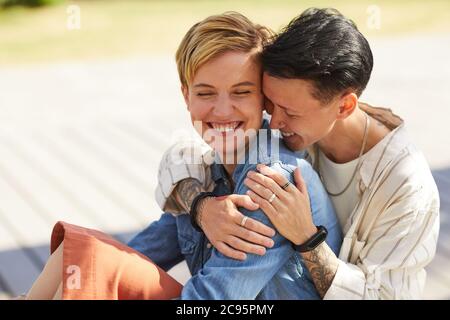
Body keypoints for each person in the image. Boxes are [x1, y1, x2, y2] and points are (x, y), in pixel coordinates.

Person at [24, 11, 341, 300]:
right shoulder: (207, 172)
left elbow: (212, 299)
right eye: (205, 93)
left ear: (264, 99)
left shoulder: (271, 181)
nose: (222, 110)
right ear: (186, 96)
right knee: (80, 252)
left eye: (241, 92)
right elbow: (136, 254)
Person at [157, 8, 440, 299]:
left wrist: (308, 239)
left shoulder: (407, 186)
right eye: (270, 103)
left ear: (343, 107)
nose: (273, 121)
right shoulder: (295, 126)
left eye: (289, 112)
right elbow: (185, 154)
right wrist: (200, 207)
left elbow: (383, 297)